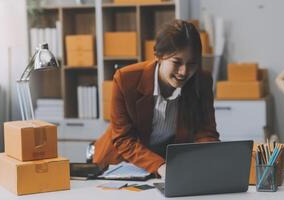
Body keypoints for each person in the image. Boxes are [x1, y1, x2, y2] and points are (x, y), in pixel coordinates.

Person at [93, 19, 220, 178]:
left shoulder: (202, 81)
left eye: (192, 63)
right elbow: (124, 139)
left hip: (170, 168)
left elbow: (205, 131)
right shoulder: (125, 79)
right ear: (158, 56)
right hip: (121, 165)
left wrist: (210, 158)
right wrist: (160, 166)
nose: (184, 72)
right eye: (176, 62)